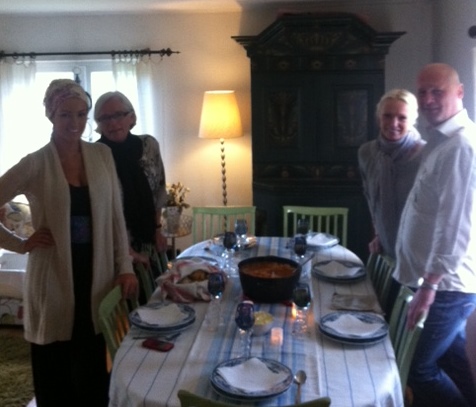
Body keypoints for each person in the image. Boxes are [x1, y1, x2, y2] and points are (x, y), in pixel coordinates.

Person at [0, 79, 138, 407]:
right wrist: (20, 243)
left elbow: (116, 216)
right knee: (54, 370)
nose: (75, 123)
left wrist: (125, 266)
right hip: (53, 277)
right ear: (50, 115)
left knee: (93, 367)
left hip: (96, 273)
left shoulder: (102, 155)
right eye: (65, 114)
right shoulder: (35, 162)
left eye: (81, 114)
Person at [394, 63, 476, 407]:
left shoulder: (461, 146)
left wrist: (429, 285)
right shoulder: (441, 142)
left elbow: (455, 224)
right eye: (422, 92)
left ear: (459, 93)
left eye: (437, 92)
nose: (427, 99)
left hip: (444, 288)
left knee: (418, 369)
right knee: (452, 361)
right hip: (439, 284)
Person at [94, 91, 168, 285]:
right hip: (117, 249)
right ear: (98, 124)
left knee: (157, 292)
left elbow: (159, 190)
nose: (112, 122)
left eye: (118, 115)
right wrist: (128, 253)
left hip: (149, 238)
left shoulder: (149, 145)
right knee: (129, 300)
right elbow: (101, 214)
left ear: (132, 117)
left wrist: (158, 229)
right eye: (104, 118)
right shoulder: (94, 156)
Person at [358, 89, 425, 259]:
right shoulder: (366, 153)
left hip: (418, 252)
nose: (394, 123)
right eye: (387, 116)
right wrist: (378, 234)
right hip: (386, 248)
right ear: (379, 117)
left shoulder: (426, 154)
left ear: (413, 121)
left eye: (402, 118)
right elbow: (371, 200)